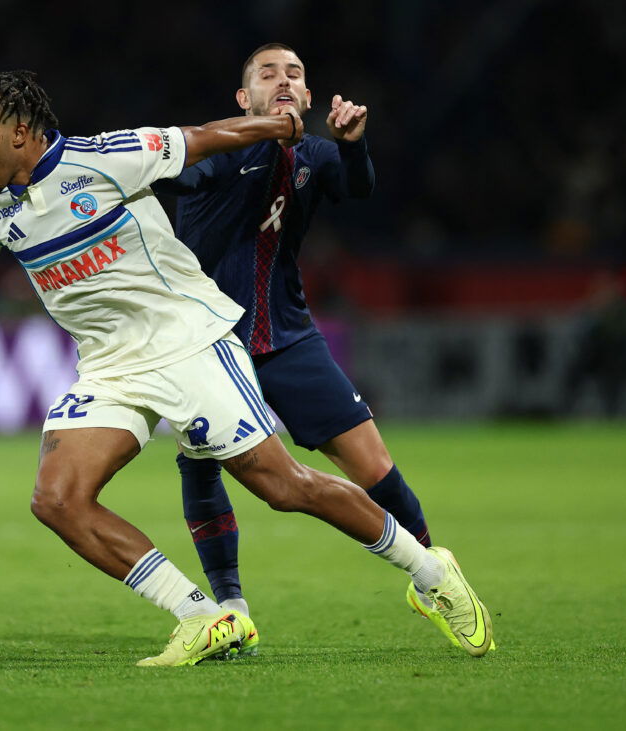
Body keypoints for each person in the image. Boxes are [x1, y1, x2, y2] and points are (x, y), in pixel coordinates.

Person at [0, 70, 493, 666]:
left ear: (19, 133)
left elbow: (203, 137)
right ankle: (204, 616)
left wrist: (278, 127)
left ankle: (431, 571)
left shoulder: (106, 159)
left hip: (189, 343)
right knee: (58, 499)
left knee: (283, 487)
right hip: (110, 368)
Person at [153, 43, 468, 650]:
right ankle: (230, 608)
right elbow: (181, 169)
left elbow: (358, 186)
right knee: (201, 462)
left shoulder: (315, 154)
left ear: (307, 96)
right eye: (267, 74)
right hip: (209, 341)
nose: (283, 80)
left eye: (293, 74)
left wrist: (353, 145)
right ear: (244, 98)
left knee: (373, 463)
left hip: (287, 335)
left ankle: (435, 575)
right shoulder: (218, 149)